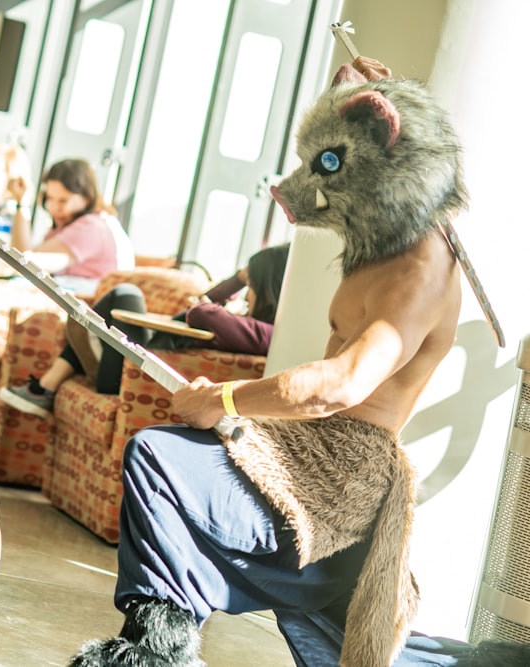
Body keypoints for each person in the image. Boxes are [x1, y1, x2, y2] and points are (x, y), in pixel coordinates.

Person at [69, 57, 530, 667]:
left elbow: (341, 385)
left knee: (161, 457)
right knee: (347, 643)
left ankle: (158, 651)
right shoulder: (392, 243)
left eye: (332, 166)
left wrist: (222, 401)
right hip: (315, 453)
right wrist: (369, 98)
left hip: (345, 470)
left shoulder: (418, 270)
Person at [0, 243, 290, 417]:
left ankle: (50, 382)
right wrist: (239, 279)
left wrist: (237, 282)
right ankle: (51, 381)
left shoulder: (265, 331)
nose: (246, 294)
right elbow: (205, 302)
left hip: (134, 376)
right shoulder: (253, 324)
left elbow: (201, 309)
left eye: (250, 286)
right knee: (120, 299)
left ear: (267, 289)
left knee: (126, 295)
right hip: (133, 369)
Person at [11, 158, 134, 295]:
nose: (55, 208)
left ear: (86, 197)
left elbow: (25, 262)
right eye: (50, 198)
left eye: (64, 200)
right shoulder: (75, 222)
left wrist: (23, 203)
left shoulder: (91, 227)